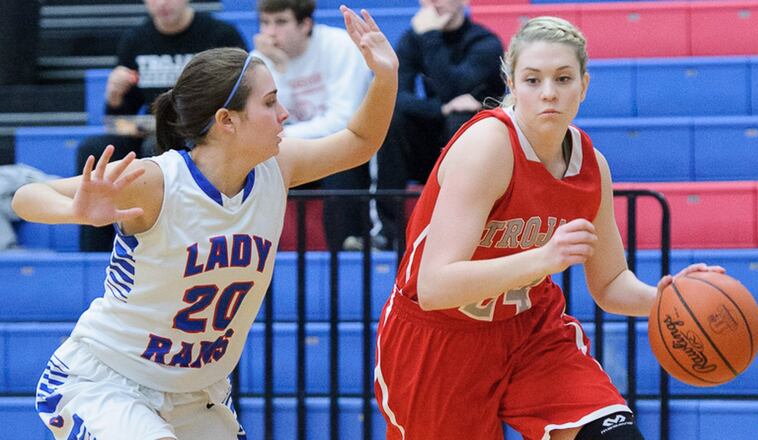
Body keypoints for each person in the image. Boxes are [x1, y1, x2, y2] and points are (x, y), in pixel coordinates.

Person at [13, 7, 397, 439]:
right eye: (270, 102)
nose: (285, 113)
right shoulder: (157, 180)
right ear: (226, 121)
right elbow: (25, 196)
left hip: (199, 392)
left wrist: (385, 77)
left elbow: (360, 142)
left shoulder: (279, 167)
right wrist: (74, 212)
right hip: (110, 382)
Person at [373, 16, 724, 439]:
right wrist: (542, 258)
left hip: (529, 331)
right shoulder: (488, 147)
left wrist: (672, 301)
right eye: (533, 80)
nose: (549, 93)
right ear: (512, 85)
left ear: (584, 86)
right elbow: (434, 286)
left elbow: (610, 283)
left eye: (563, 78)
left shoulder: (592, 165)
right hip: (440, 338)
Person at [76, 0, 247, 251]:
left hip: (206, 132)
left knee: (152, 148)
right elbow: (118, 121)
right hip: (153, 128)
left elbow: (241, 98)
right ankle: (98, 253)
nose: (163, 3)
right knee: (93, 149)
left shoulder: (220, 34)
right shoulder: (135, 39)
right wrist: (114, 98)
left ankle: (158, 244)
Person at [374, 0, 504, 249]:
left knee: (462, 121)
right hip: (430, 151)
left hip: (478, 156)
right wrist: (441, 109)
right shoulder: (414, 39)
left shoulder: (485, 43)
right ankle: (389, 233)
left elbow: (455, 87)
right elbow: (395, 96)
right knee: (394, 118)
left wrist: (431, 36)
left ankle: (462, 229)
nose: (433, 2)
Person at [253, 0, 378, 251]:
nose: (270, 32)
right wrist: (278, 66)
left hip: (343, 147)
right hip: (287, 149)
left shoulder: (339, 45)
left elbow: (343, 120)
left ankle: (346, 250)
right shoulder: (259, 61)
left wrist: (284, 135)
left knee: (340, 157)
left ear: (306, 24)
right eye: (265, 23)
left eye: (281, 22)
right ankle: (254, 251)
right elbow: (272, 116)